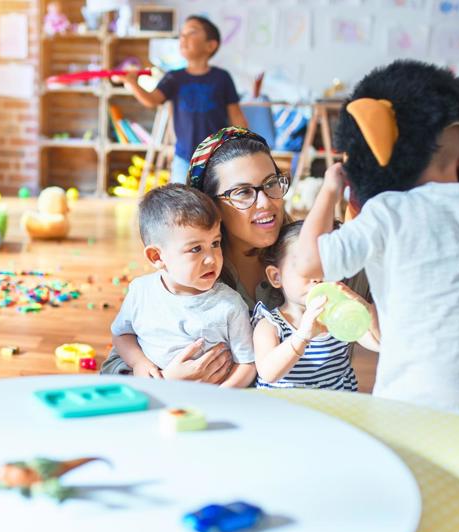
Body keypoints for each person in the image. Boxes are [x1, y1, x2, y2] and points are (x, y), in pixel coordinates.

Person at [294, 60, 459, 532]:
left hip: (417, 406)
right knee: (446, 499)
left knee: (385, 491)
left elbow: (306, 264)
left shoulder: (388, 214)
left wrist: (331, 190)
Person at [100, 127, 370, 381]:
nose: (265, 203)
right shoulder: (186, 280)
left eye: (271, 184)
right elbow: (114, 368)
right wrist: (165, 378)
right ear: (209, 205)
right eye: (242, 192)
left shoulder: (318, 256)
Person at [111, 184, 257, 388]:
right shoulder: (141, 291)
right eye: (196, 249)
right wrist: (139, 362)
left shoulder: (230, 305)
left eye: (215, 243)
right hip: (156, 393)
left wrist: (221, 394)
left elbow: (248, 364)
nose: (211, 259)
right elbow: (122, 333)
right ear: (157, 256)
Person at [117, 15, 248, 184]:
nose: (183, 38)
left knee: (215, 202)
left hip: (218, 155)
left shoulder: (222, 78)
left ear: (211, 45)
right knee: (181, 202)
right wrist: (132, 82)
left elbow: (236, 115)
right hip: (184, 156)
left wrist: (245, 146)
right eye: (182, 34)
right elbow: (152, 100)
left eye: (191, 32)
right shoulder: (174, 77)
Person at [253, 220, 379, 389]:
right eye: (304, 267)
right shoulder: (269, 325)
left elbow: (380, 343)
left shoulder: (339, 316)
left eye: (325, 266)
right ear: (277, 277)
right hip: (286, 412)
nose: (317, 276)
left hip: (335, 409)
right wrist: (302, 336)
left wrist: (365, 310)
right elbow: (268, 373)